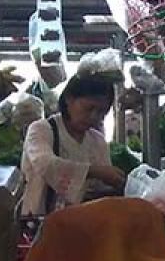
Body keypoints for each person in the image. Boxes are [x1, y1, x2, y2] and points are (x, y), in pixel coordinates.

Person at [20, 74, 125, 216]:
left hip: (80, 223)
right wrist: (93, 171)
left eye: (101, 112)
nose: (94, 116)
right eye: (89, 108)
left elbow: (100, 188)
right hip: (40, 222)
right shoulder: (41, 130)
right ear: (69, 99)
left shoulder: (97, 141)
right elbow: (45, 164)